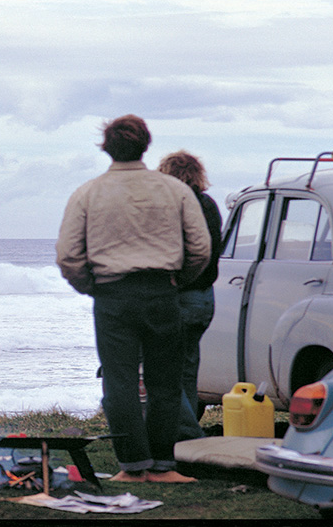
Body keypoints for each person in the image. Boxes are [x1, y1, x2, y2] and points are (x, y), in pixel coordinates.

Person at [56, 114, 210, 483]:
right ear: (146, 144)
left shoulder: (88, 192)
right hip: (162, 291)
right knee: (165, 382)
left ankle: (132, 466)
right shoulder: (175, 191)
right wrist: (177, 280)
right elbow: (201, 249)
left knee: (119, 381)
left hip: (112, 295)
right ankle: (162, 464)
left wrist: (92, 286)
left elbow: (67, 255)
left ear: (106, 147)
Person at [157, 151, 223, 442]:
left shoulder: (171, 206)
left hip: (180, 294)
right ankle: (181, 431)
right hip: (205, 297)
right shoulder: (208, 205)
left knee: (167, 371)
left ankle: (186, 436)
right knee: (187, 368)